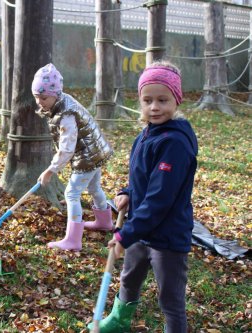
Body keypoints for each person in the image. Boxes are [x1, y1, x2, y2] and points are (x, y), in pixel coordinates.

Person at [90, 61, 198, 332]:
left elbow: (160, 198)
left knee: (169, 298)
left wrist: (125, 234)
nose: (154, 107)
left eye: (163, 100)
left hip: (167, 237)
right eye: (147, 100)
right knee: (128, 279)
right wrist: (127, 192)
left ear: (177, 99)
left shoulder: (174, 143)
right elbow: (144, 179)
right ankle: (118, 321)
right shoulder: (145, 135)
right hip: (140, 228)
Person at [32, 63, 114, 251]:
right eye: (36, 97)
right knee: (94, 187)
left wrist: (51, 170)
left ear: (55, 94)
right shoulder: (62, 101)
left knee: (71, 193)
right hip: (95, 150)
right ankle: (104, 222)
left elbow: (66, 149)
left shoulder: (66, 114)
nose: (39, 102)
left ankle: (73, 240)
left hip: (87, 155)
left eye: (43, 97)